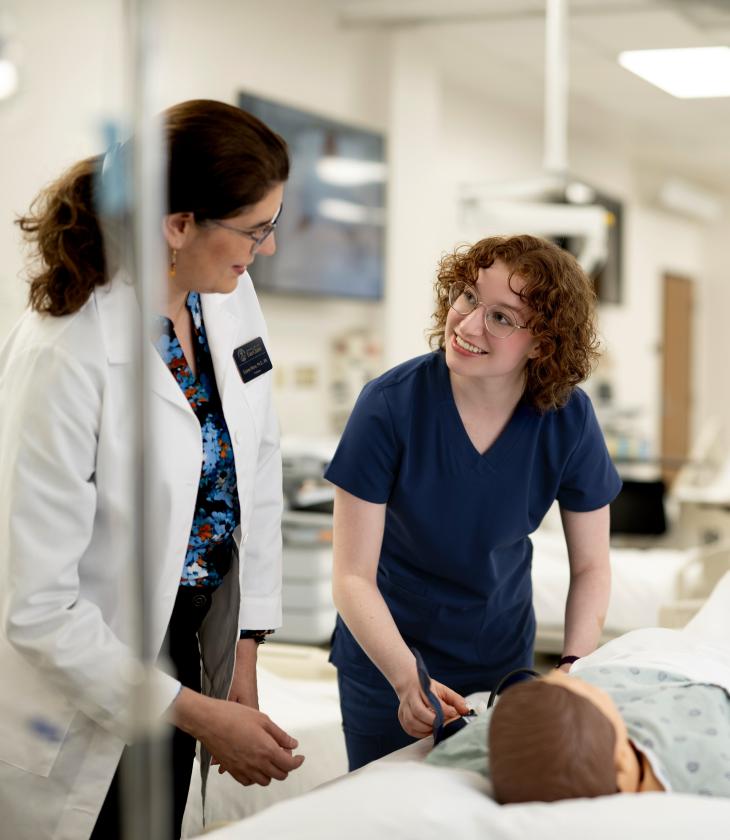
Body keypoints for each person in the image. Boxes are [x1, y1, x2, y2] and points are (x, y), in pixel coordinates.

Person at [0, 99, 304, 840]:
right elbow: (37, 606)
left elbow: (253, 470)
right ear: (177, 225)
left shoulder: (227, 302)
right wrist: (202, 715)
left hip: (192, 656)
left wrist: (240, 666)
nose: (264, 249)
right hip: (84, 688)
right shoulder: (64, 352)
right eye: (255, 229)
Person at [325, 234, 622, 770]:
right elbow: (351, 577)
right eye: (466, 296)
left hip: (500, 659)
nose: (466, 325)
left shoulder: (567, 418)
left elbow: (592, 565)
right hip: (386, 660)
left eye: (503, 318)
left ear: (544, 343)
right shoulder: (389, 406)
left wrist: (575, 665)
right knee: (387, 812)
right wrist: (403, 677)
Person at [427, 571, 730, 801]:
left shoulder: (515, 754)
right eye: (604, 700)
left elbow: (461, 746)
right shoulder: (713, 762)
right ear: (623, 762)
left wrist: (457, 726)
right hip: (695, 663)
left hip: (642, 660)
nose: (560, 676)